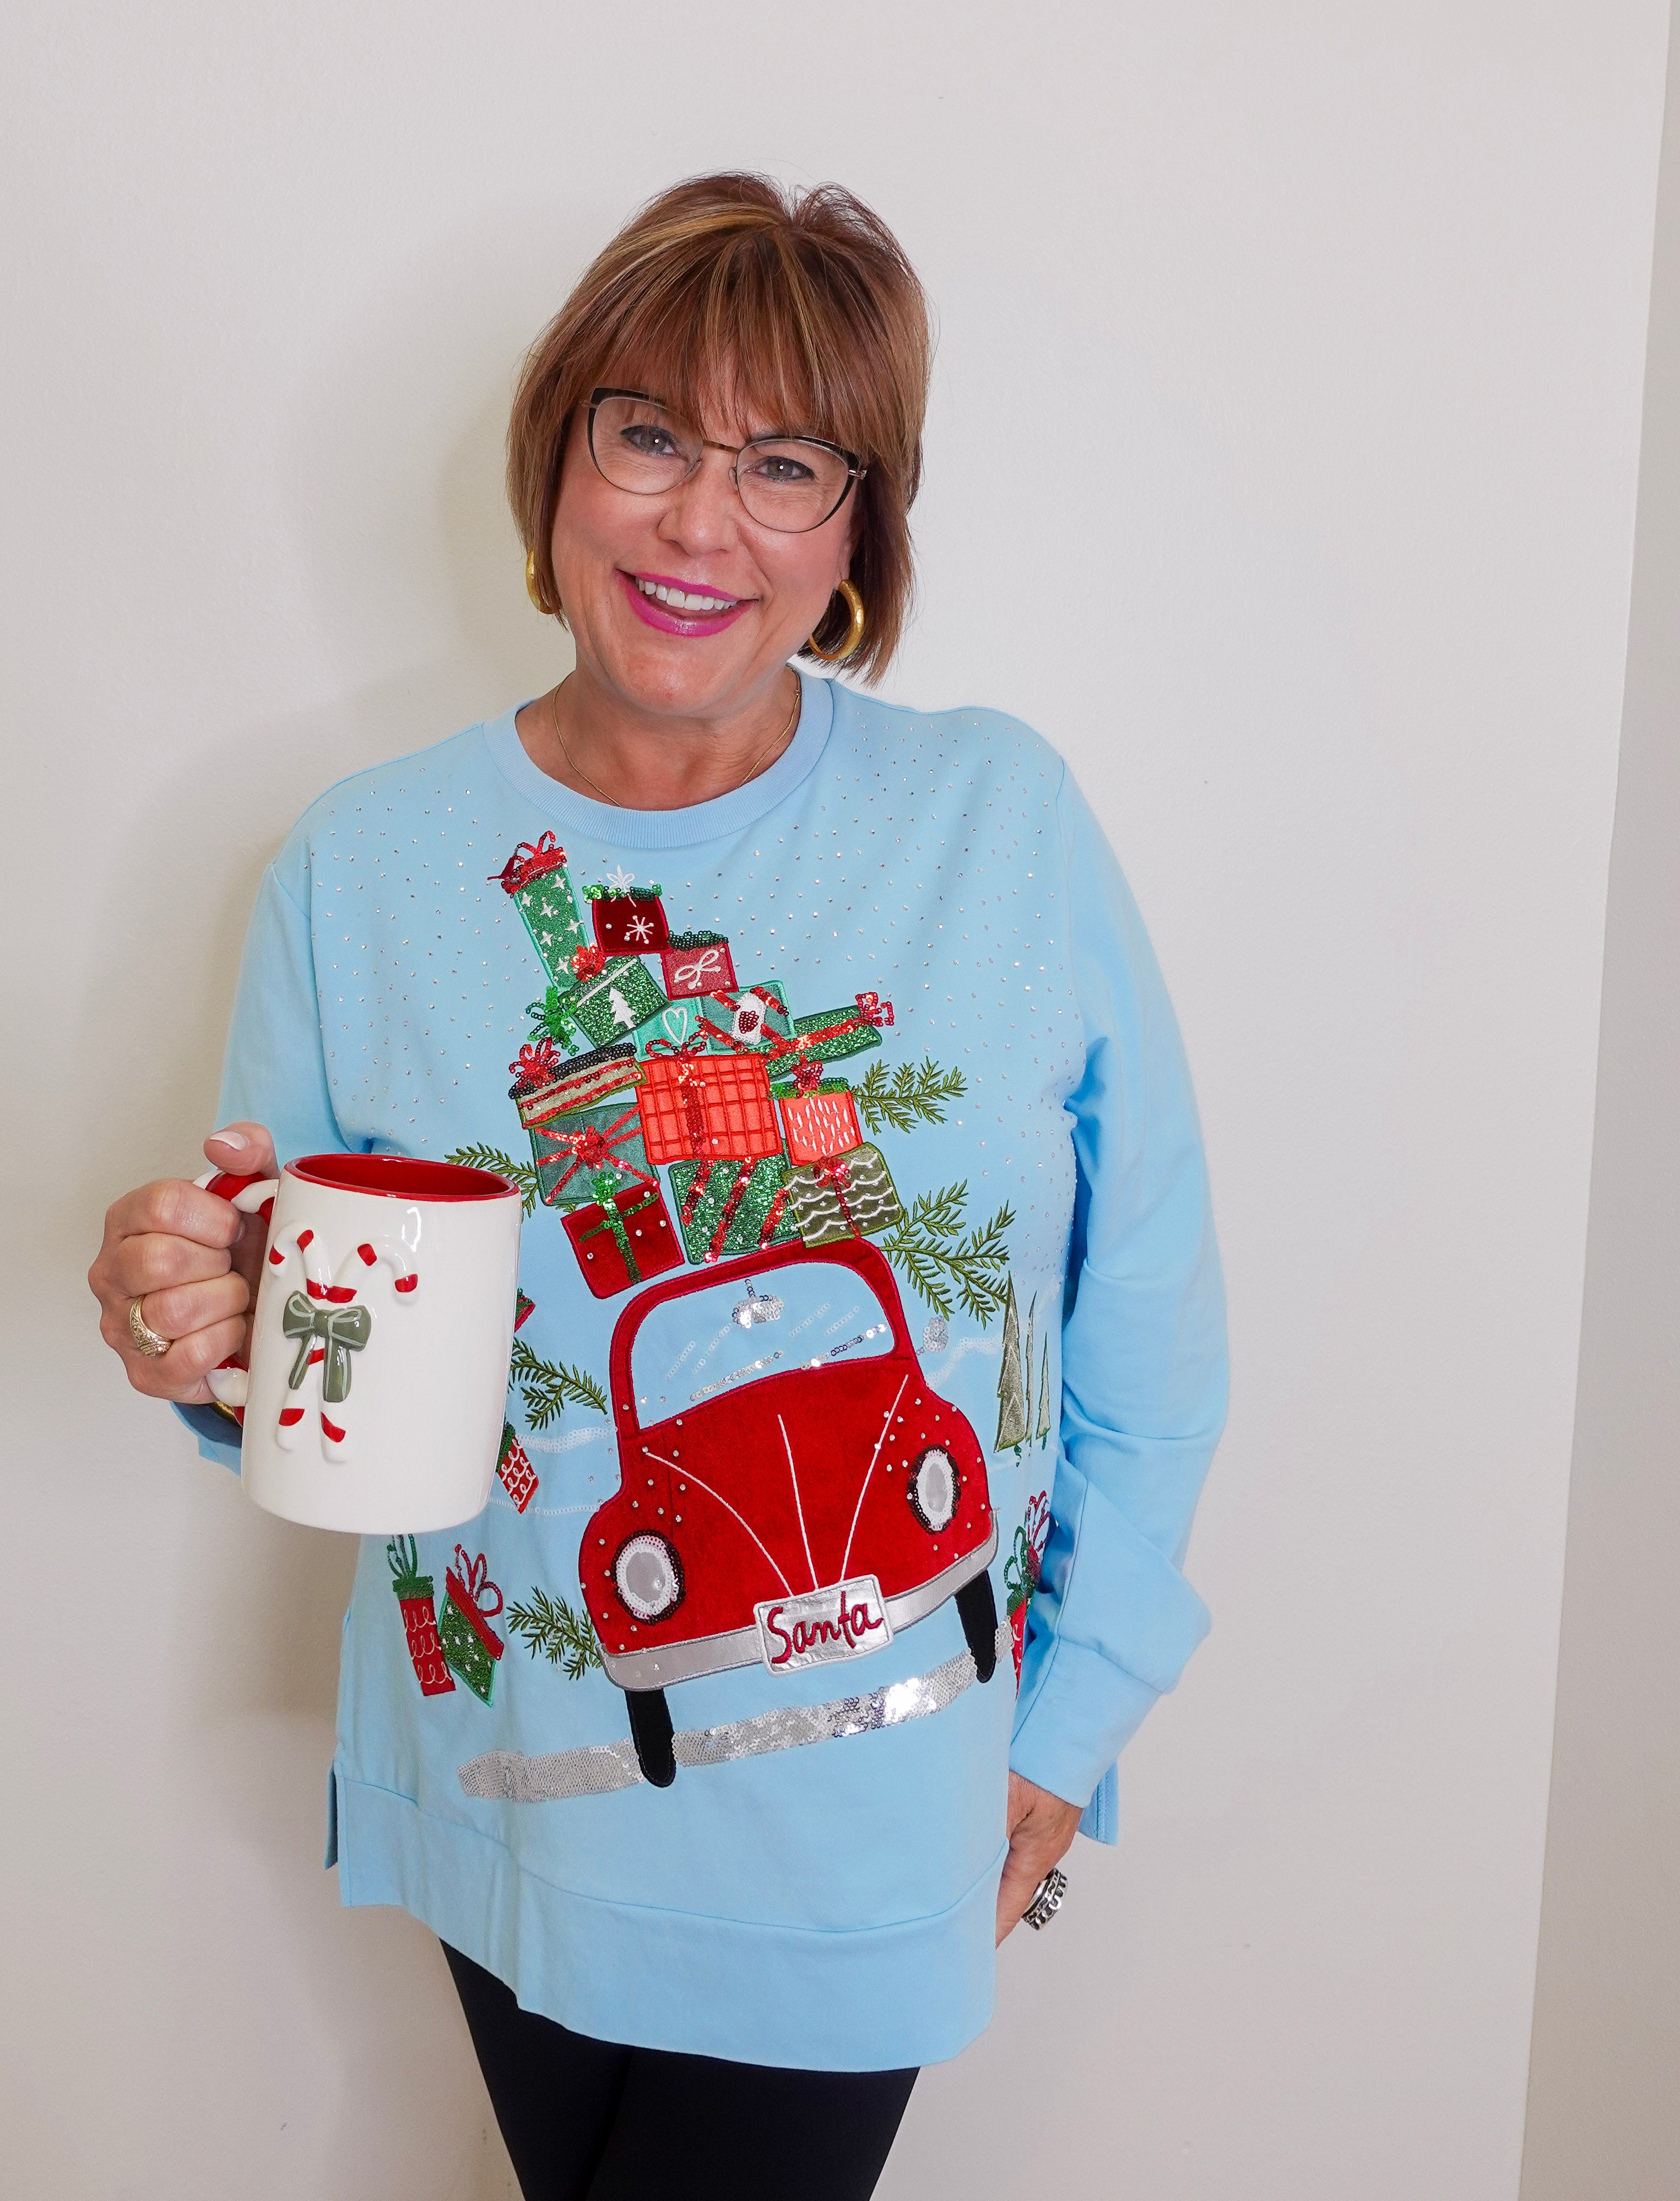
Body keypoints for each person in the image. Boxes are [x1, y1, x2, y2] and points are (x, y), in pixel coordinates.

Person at [89, 175, 1228, 2201]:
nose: (704, 524)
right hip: (512, 1798)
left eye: (787, 465)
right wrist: (202, 1328)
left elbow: (1153, 1308)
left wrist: (1076, 1724)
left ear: (859, 531)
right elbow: (299, 1361)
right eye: (650, 437)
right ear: (559, 461)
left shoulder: (998, 819)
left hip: (885, 1822)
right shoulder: (357, 868)